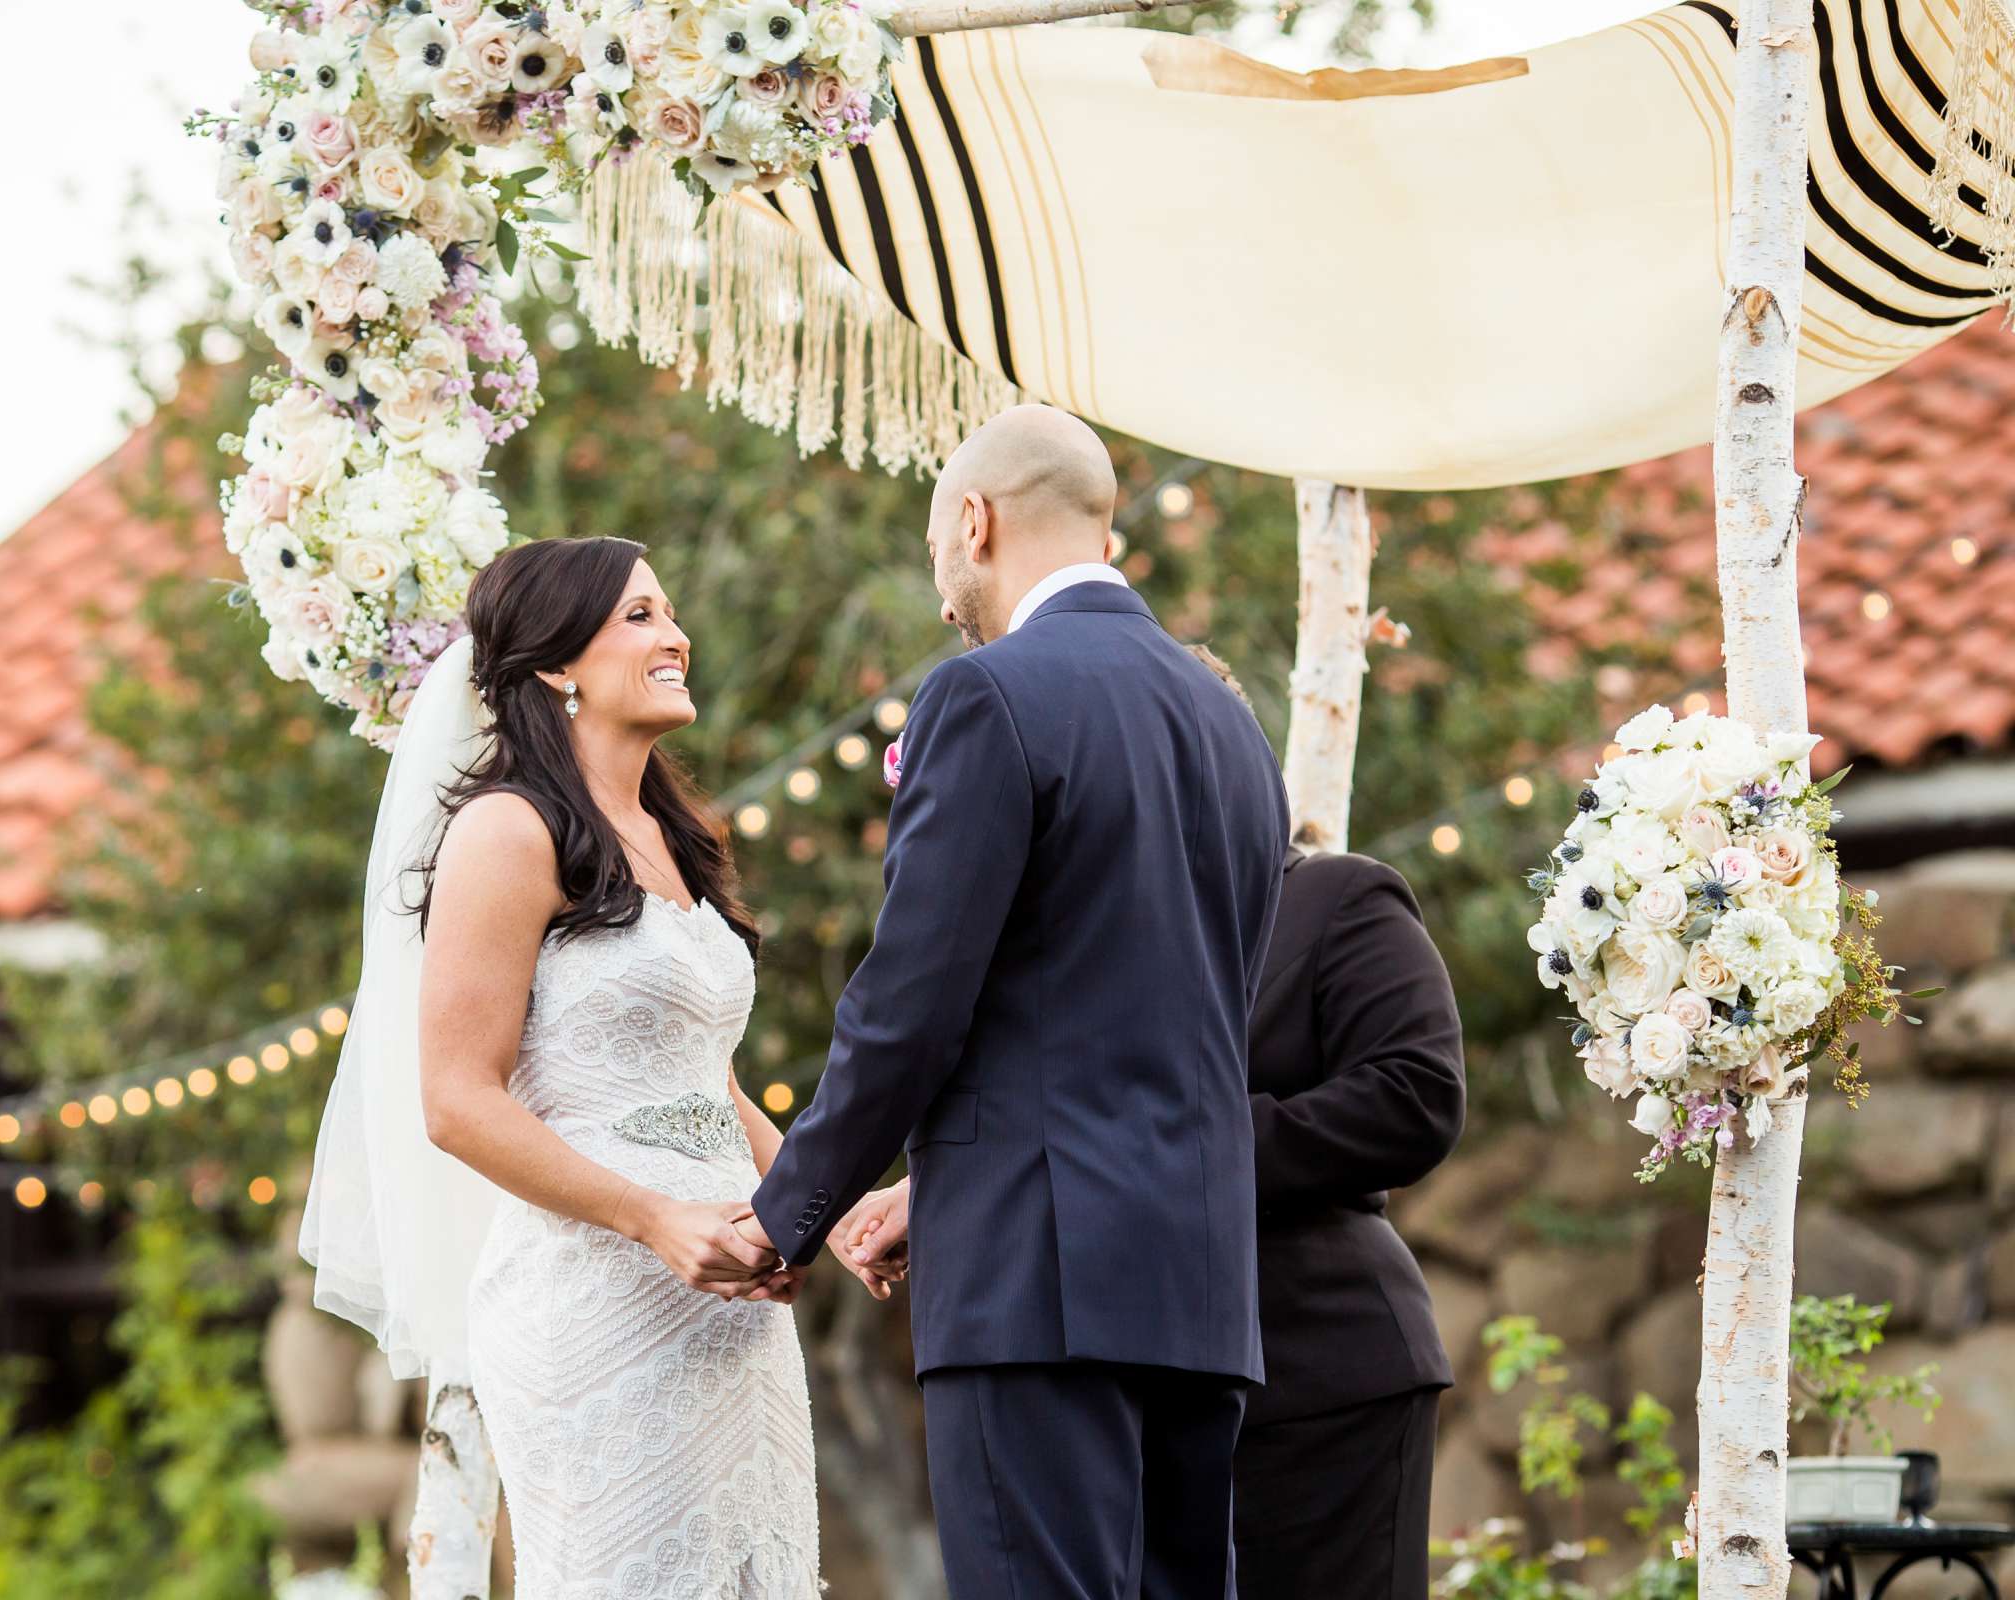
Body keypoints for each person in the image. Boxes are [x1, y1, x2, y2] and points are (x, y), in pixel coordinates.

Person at [738, 406, 1292, 1598]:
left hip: (1040, 1298)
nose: (946, 587)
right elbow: (1166, 1013)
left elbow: (912, 1004)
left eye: (942, 544)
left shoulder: (987, 696)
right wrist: (933, 1186)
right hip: (1199, 1289)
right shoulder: (1233, 728)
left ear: (975, 523)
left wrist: (788, 1211)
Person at [298, 536, 870, 1597]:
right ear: (559, 663)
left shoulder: (680, 837)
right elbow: (457, 1099)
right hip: (596, 1299)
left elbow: (716, 1084)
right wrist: (656, 1219)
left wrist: (822, 1210)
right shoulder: (507, 833)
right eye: (640, 616)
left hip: (735, 1309)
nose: (676, 636)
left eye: (670, 611)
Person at [1194, 647, 1467, 1599]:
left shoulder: (1337, 896)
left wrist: (1195, 1148)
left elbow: (1415, 1094)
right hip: (1168, 1388)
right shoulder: (1113, 942)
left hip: (1325, 1375)